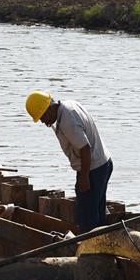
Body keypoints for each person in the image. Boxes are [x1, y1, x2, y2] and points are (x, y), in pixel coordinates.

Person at [25, 91, 113, 233]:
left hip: (92, 169)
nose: (42, 122)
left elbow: (85, 149)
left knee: (87, 221)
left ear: (49, 109)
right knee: (98, 215)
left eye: (42, 117)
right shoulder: (68, 106)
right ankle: (100, 247)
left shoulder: (67, 121)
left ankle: (92, 251)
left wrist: (84, 178)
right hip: (103, 164)